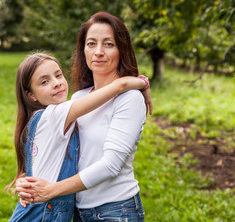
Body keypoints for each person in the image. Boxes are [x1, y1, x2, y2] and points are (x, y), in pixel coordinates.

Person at [15, 12, 151, 222]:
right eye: (91, 44)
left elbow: (110, 165)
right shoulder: (79, 98)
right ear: (83, 50)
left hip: (115, 210)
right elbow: (57, 152)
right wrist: (28, 180)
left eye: (108, 44)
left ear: (121, 50)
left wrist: (51, 190)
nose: (98, 52)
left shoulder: (130, 99)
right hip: (78, 211)